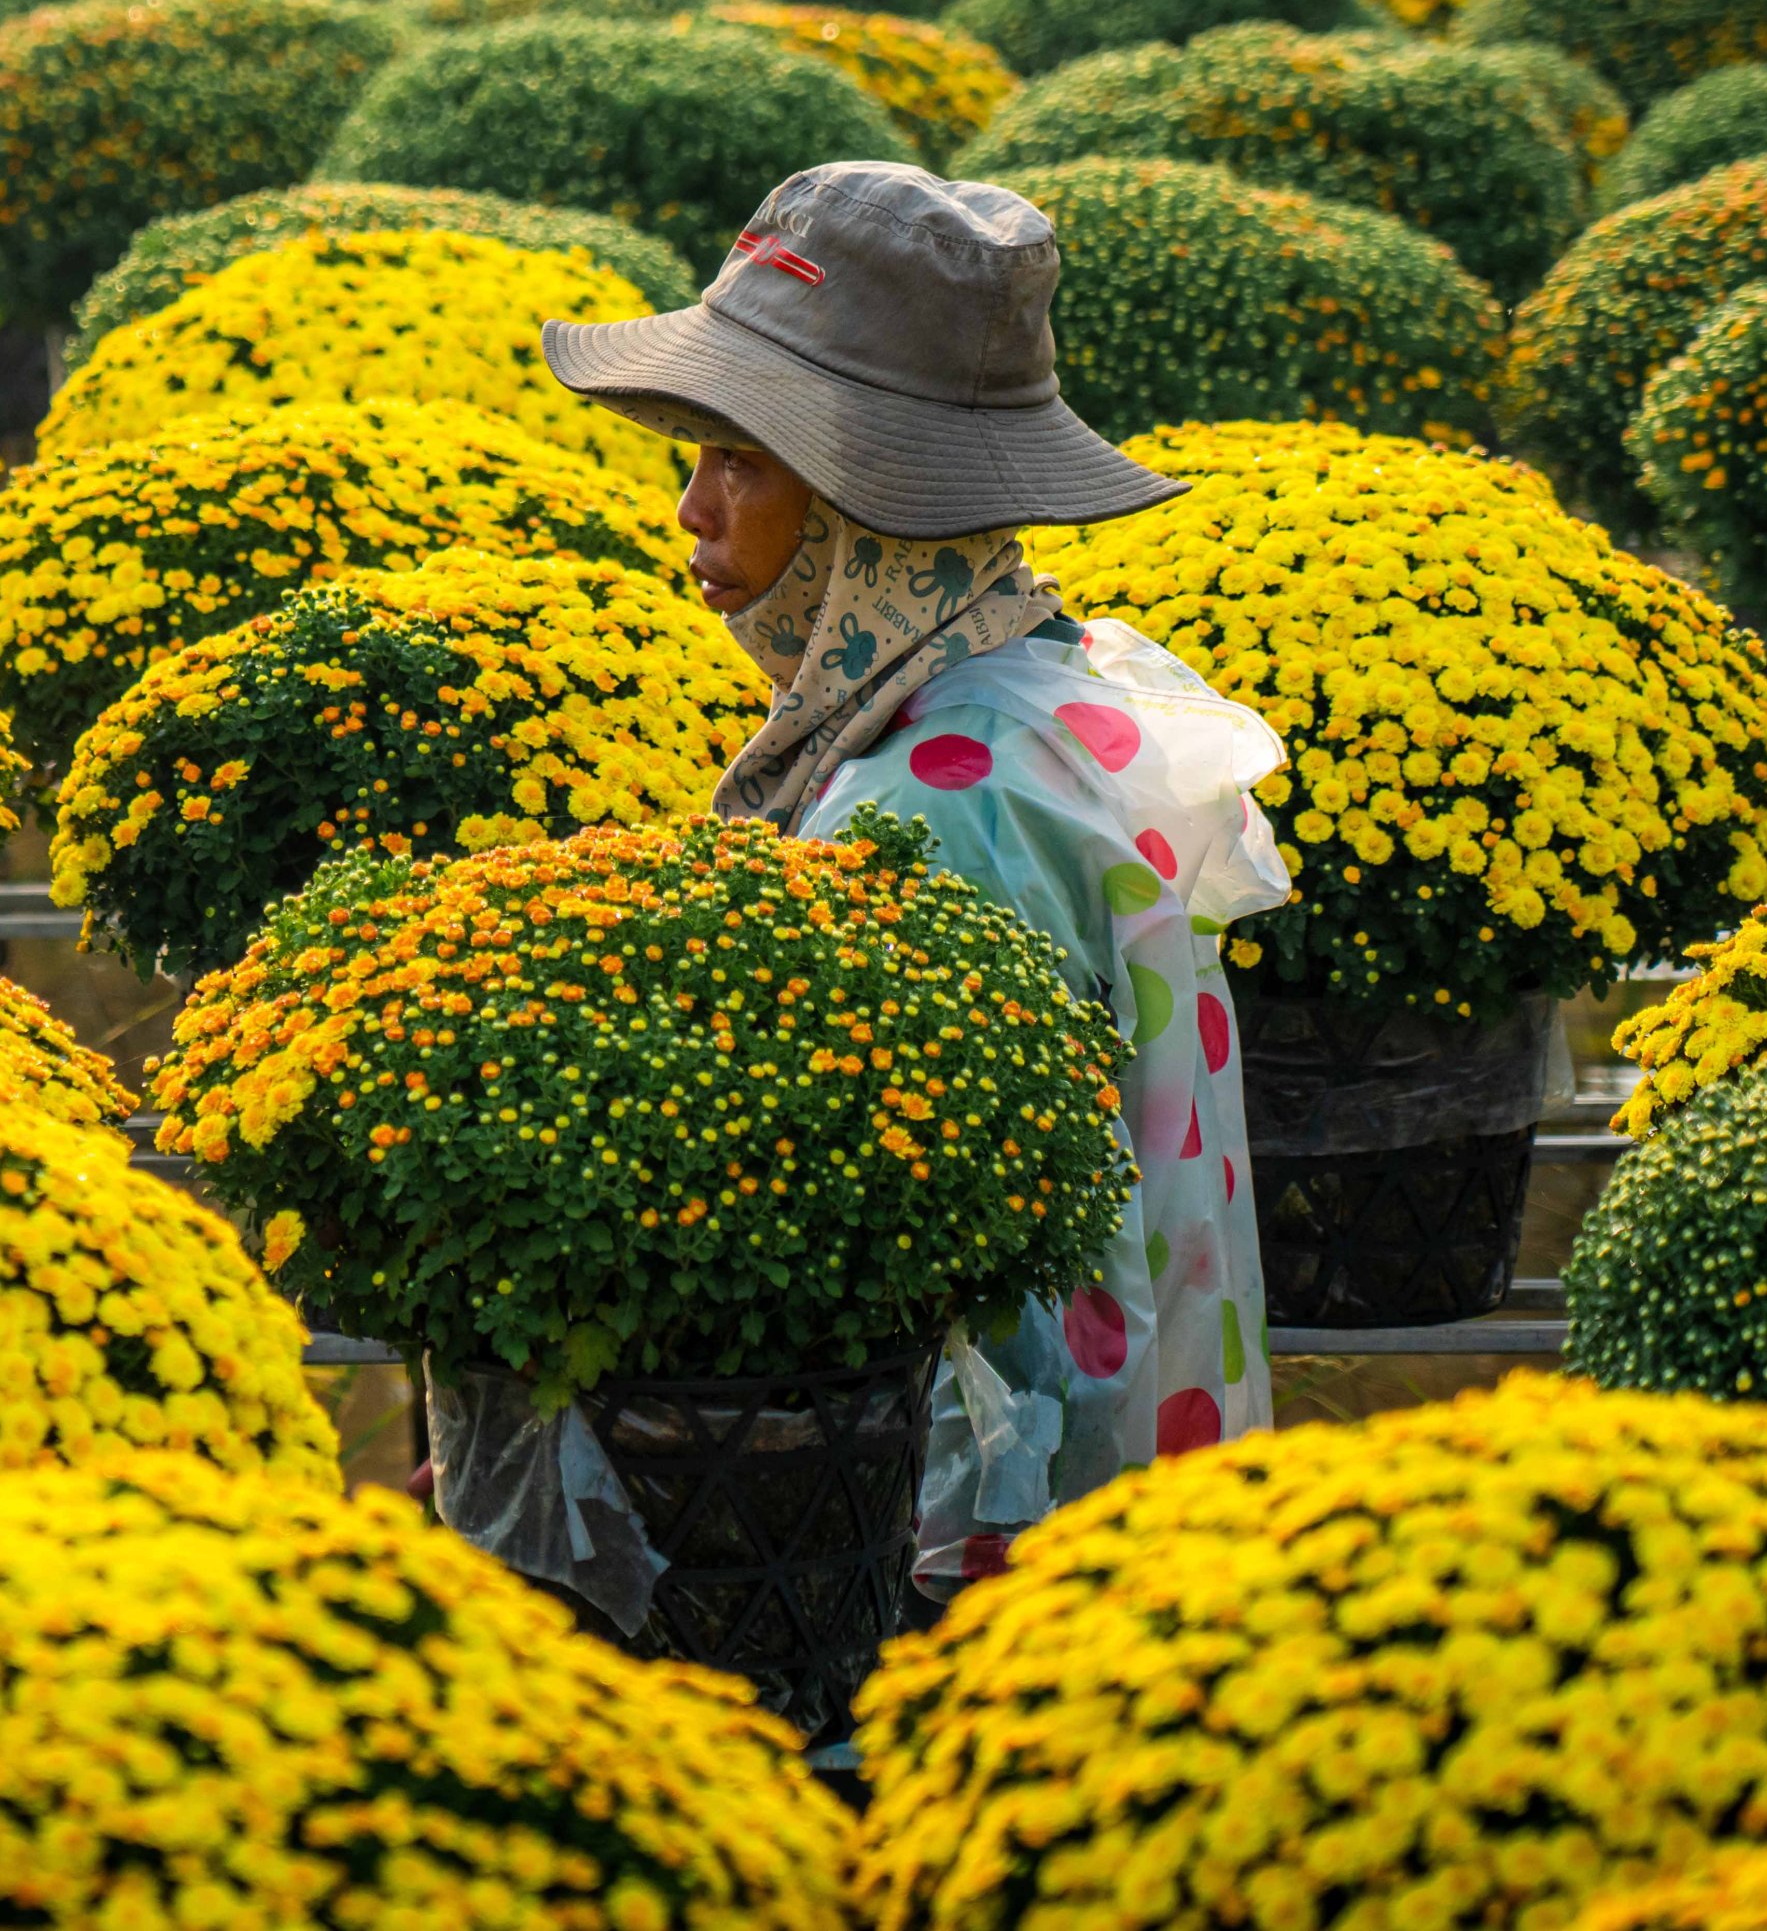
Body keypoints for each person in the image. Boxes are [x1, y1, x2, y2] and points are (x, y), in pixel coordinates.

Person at [541, 159, 1290, 1589]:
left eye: (740, 461)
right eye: (694, 459)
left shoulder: (926, 806)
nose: (692, 511)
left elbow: (951, 1261)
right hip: (1120, 1478)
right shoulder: (1028, 688)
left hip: (998, 1514)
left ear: (859, 501)